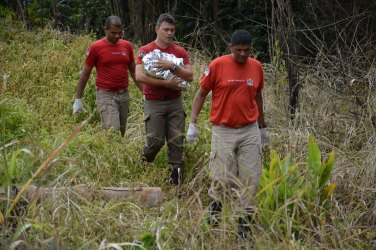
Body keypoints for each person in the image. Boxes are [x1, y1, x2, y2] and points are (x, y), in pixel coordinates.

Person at [186, 30, 270, 240]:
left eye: (246, 51)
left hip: (249, 129)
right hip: (223, 130)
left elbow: (258, 96)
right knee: (221, 179)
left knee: (251, 180)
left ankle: (244, 229)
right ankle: (214, 215)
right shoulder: (217, 66)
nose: (242, 54)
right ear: (231, 47)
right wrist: (193, 123)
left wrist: (262, 127)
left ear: (250, 49)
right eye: (238, 50)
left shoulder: (256, 67)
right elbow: (201, 93)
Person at [135, 13, 193, 185]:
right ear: (157, 29)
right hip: (154, 102)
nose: (169, 34)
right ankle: (143, 164)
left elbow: (189, 76)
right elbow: (139, 76)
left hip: (175, 102)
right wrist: (166, 84)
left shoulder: (179, 52)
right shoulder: (146, 50)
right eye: (166, 30)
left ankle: (175, 181)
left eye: (172, 30)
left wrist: (172, 66)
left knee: (177, 140)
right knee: (155, 141)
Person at [73, 15, 141, 137]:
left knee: (121, 133)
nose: (117, 36)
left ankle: (117, 156)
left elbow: (134, 72)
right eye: (113, 33)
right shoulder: (96, 47)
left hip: (124, 95)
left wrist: (145, 92)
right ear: (105, 29)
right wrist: (78, 98)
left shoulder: (127, 46)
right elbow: (85, 75)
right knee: (113, 131)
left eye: (120, 33)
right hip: (106, 94)